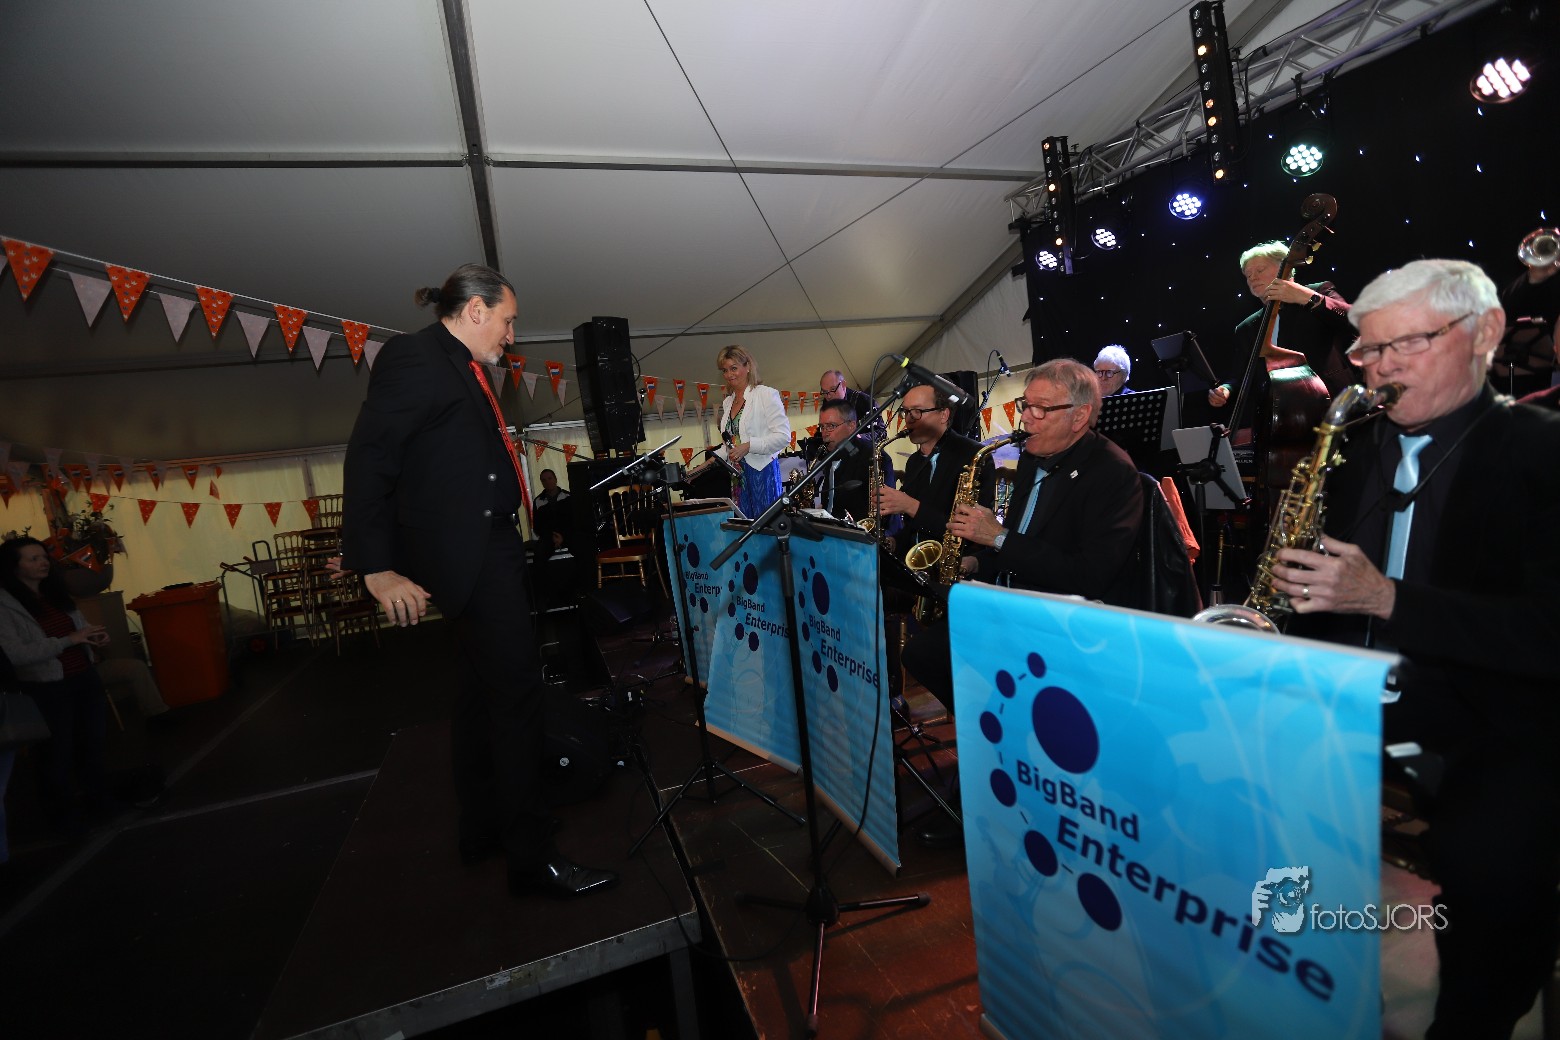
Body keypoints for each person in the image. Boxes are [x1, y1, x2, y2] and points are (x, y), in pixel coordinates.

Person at [1273, 259, 1560, 1038]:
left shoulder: (1542, 451)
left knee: (1495, 875)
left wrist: (1388, 600)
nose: (1381, 369)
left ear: (1486, 333)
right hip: (1352, 693)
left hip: (1494, 717)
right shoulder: (1351, 446)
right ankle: (1305, 989)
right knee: (1232, 795)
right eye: (1370, 350)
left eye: (1408, 344)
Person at [343, 263, 615, 899]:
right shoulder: (414, 358)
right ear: (474, 310)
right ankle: (533, 859)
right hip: (470, 555)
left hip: (481, 551)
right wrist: (376, 567)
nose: (511, 335)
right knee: (517, 698)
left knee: (476, 697)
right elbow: (371, 458)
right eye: (507, 320)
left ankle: (484, 827)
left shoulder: (461, 367)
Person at [0, 536, 111, 837]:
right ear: (14, 567)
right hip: (47, 687)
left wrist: (94, 637)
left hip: (83, 677)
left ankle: (98, 801)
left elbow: (79, 627)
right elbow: (15, 654)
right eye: (33, 558)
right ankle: (63, 817)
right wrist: (67, 641)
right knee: (56, 754)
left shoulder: (54, 594)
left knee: (92, 743)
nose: (43, 562)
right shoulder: (5, 605)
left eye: (44, 557)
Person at [1208, 240, 1356, 425]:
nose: (1252, 278)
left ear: (1284, 268)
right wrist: (1226, 389)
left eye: (1259, 270)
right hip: (1282, 419)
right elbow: (1240, 375)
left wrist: (1308, 298)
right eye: (1248, 275)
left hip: (1333, 405)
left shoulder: (1317, 292)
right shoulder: (1247, 327)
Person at [876, 382, 992, 556]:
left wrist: (910, 506)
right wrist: (894, 542)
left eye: (917, 411)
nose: (908, 419)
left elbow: (969, 534)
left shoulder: (974, 456)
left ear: (943, 414)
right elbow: (913, 527)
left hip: (952, 561)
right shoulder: (914, 461)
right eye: (906, 411)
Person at [714, 345, 792, 518]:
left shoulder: (766, 394)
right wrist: (698, 470)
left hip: (762, 473)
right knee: (745, 528)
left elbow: (784, 436)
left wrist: (749, 446)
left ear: (748, 366)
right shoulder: (727, 402)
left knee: (766, 526)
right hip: (738, 478)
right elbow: (730, 445)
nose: (729, 374)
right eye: (725, 370)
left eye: (734, 368)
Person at [811, 399, 893, 524]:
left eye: (831, 426)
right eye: (822, 427)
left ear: (851, 426)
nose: (825, 433)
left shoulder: (873, 457)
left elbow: (884, 512)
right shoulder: (831, 455)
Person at [531, 468, 570, 553]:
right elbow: (537, 527)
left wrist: (563, 536)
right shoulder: (538, 501)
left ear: (555, 479)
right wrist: (551, 537)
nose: (547, 482)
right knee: (539, 553)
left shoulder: (568, 497)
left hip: (568, 536)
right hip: (548, 539)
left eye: (549, 478)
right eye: (544, 480)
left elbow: (574, 521)